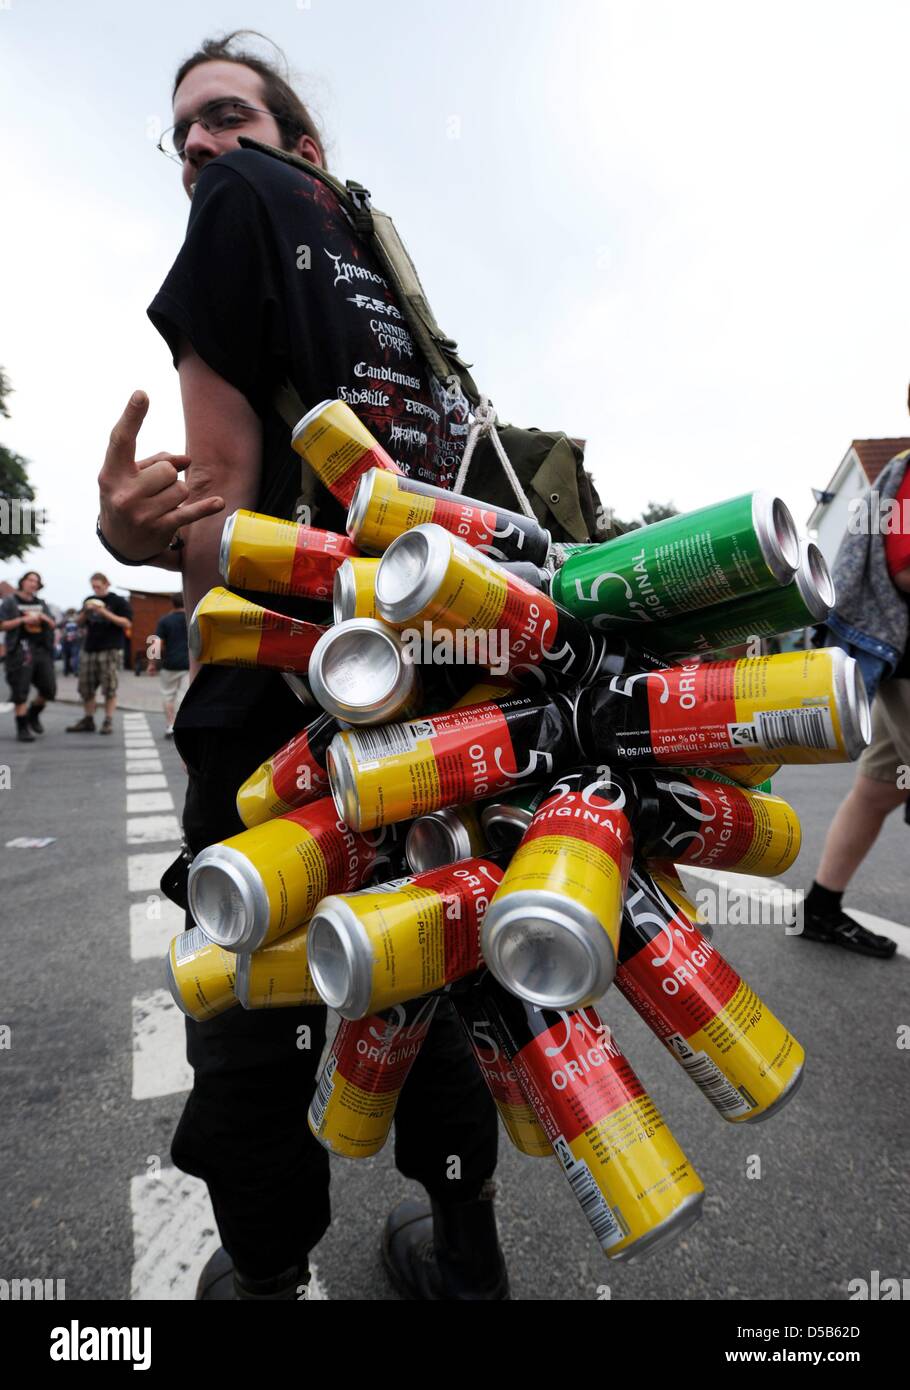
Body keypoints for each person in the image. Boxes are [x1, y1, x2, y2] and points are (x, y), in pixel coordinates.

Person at [95, 31, 505, 1301]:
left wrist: (128, 531)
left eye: (228, 118)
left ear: (297, 145)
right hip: (440, 702)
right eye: (185, 137)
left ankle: (266, 1272)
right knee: (431, 963)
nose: (203, 150)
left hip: (280, 702)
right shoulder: (391, 268)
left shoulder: (240, 212)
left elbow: (218, 530)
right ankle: (464, 1255)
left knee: (253, 996)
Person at [802, 444, 910, 958]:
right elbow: (904, 566)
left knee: (879, 789)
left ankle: (821, 909)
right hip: (904, 656)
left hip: (895, 655)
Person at [65, 573, 132, 735]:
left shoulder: (118, 601)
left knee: (109, 687)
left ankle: (107, 721)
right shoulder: (89, 600)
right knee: (85, 687)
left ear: (106, 584)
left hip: (110, 648)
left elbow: (126, 623)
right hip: (89, 647)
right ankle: (88, 719)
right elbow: (79, 623)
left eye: (98, 586)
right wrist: (86, 612)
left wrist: (103, 612)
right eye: (93, 586)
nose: (95, 589)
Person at [0, 570, 57, 742]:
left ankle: (33, 714)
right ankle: (22, 727)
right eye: (30, 580)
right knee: (20, 689)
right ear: (22, 582)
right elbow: (2, 625)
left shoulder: (41, 603)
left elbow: (53, 623)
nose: (33, 584)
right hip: (19, 650)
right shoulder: (10, 602)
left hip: (41, 650)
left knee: (49, 689)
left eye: (36, 581)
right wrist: (22, 621)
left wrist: (43, 619)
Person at [150, 594, 190, 736]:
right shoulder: (191, 618)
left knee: (168, 695)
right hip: (189, 664)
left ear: (172, 603)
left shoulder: (164, 620)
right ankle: (182, 724)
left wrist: (152, 663)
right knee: (183, 695)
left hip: (170, 664)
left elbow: (156, 643)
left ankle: (170, 724)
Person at [61, 609, 82, 676]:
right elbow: (80, 630)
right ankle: (75, 671)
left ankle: (66, 671)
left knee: (66, 657)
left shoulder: (65, 620)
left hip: (66, 640)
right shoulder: (77, 620)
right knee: (75, 656)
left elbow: (61, 629)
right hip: (75, 640)